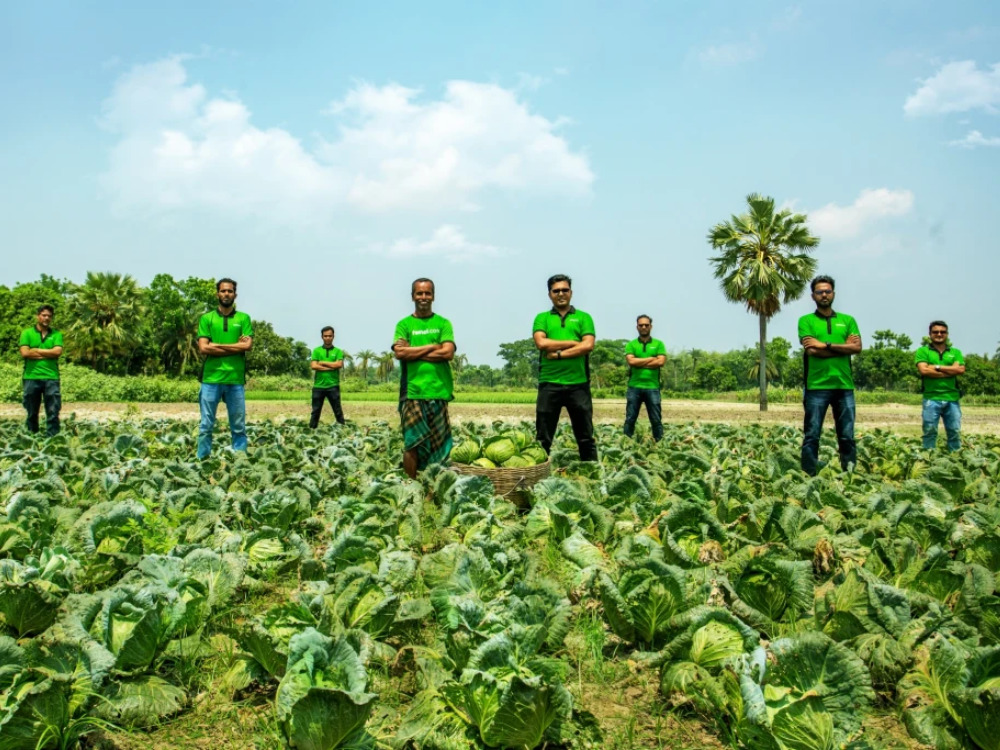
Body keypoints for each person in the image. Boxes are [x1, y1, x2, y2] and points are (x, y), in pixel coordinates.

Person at [798, 275, 863, 475]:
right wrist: (844, 347)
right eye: (819, 292)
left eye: (827, 291)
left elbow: (857, 347)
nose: (824, 295)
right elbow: (812, 351)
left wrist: (825, 344)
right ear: (813, 296)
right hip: (816, 386)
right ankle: (809, 474)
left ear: (833, 293)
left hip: (844, 386)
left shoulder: (848, 320)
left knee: (846, 436)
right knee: (812, 435)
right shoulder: (806, 321)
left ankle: (849, 474)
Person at [393, 278, 456, 478]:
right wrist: (433, 346)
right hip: (412, 392)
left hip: (438, 390)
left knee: (440, 444)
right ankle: (411, 486)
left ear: (433, 296)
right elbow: (400, 354)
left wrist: (413, 350)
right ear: (412, 296)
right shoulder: (404, 324)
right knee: (412, 442)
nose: (423, 297)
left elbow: (447, 353)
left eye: (427, 293)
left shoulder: (443, 323)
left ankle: (433, 488)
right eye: (419, 293)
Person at [532, 274, 597, 460]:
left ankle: (591, 475)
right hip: (549, 384)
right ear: (549, 294)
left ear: (571, 292)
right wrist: (572, 342)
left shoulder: (584, 318)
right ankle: (538, 477)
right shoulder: (542, 318)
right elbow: (541, 343)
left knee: (585, 437)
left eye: (565, 290)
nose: (561, 294)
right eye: (556, 290)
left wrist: (558, 353)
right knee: (543, 438)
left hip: (579, 384)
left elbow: (588, 346)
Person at [196, 278, 253, 459]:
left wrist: (216, 346)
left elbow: (247, 346)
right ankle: (202, 460)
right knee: (206, 425)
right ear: (217, 294)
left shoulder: (243, 318)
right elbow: (203, 348)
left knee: (238, 426)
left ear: (235, 294)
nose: (226, 294)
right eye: (223, 291)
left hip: (235, 379)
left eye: (230, 291)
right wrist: (235, 345)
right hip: (211, 379)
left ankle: (240, 462)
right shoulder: (207, 318)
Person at [914, 320, 965, 451]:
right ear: (930, 334)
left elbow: (960, 370)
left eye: (942, 332)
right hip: (931, 398)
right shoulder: (923, 351)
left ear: (947, 334)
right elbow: (924, 370)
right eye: (935, 332)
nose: (939, 334)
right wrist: (949, 371)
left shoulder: (956, 352)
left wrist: (936, 367)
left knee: (954, 432)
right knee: (929, 432)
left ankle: (955, 458)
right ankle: (928, 458)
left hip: (952, 398)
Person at [19, 304, 63, 436]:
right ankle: (32, 436)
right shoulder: (27, 333)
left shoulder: (56, 334)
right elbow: (25, 353)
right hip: (31, 377)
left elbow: (57, 352)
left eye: (49, 316)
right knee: (32, 411)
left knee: (53, 411)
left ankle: (53, 438)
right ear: (38, 316)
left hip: (51, 377)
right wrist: (48, 353)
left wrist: (37, 350)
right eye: (44, 315)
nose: (46, 318)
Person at [624, 314, 666, 442]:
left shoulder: (658, 344)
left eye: (646, 325)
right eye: (641, 325)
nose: (643, 327)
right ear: (637, 327)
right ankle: (625, 443)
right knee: (630, 418)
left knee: (656, 420)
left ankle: (659, 443)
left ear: (651, 327)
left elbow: (660, 362)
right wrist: (650, 359)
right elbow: (631, 362)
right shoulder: (631, 344)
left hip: (652, 387)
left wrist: (639, 362)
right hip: (634, 387)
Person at [309, 326, 346, 428]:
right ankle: (312, 430)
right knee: (315, 412)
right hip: (318, 386)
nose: (328, 338)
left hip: (333, 386)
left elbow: (339, 365)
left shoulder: (338, 351)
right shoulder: (316, 351)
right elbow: (313, 366)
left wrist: (322, 363)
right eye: (325, 336)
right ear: (322, 337)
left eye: (330, 336)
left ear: (333, 336)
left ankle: (343, 430)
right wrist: (331, 367)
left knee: (338, 411)